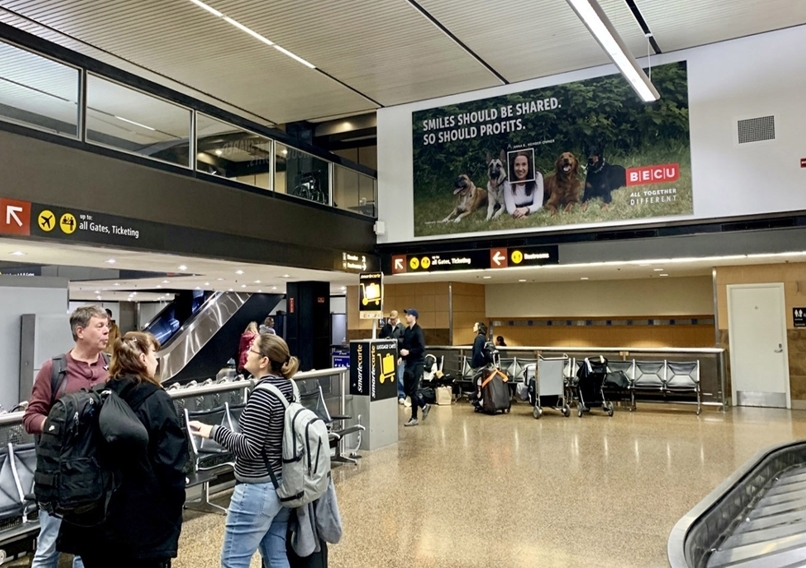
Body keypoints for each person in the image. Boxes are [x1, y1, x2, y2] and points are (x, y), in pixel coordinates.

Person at [57, 332, 188, 568]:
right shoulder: (157, 401)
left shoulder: (99, 395)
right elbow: (171, 466)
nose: (157, 360)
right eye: (154, 354)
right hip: (143, 526)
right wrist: (171, 513)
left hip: (97, 523)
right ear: (142, 358)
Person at [188, 334, 298, 568]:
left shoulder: (263, 395)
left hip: (257, 489)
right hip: (280, 483)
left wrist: (213, 431)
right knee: (275, 555)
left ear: (264, 360)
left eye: (252, 349)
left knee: (233, 560)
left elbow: (250, 448)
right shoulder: (287, 387)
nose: (246, 352)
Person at [23, 305, 111, 568]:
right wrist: (59, 424)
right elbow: (31, 417)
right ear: (80, 331)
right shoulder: (54, 369)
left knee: (89, 551)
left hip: (97, 476)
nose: (107, 330)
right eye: (99, 326)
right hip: (60, 478)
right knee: (49, 547)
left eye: (107, 325)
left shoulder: (111, 366)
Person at [400, 309, 430, 427]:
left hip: (417, 364)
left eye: (408, 315)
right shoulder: (407, 331)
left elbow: (421, 348)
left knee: (412, 391)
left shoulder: (418, 331)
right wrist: (401, 357)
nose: (406, 317)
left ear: (414, 317)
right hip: (408, 363)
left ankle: (414, 417)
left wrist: (409, 352)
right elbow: (405, 346)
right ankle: (424, 405)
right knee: (407, 389)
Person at [504, 151, 545, 218]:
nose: (520, 169)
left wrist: (526, 209)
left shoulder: (537, 177)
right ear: (513, 166)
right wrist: (519, 215)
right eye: (517, 165)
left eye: (524, 164)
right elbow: (510, 208)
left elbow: (538, 204)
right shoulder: (507, 182)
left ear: (528, 166)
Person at [380, 310, 407, 405]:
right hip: (388, 356)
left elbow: (405, 344)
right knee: (389, 376)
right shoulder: (385, 328)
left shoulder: (402, 328)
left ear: (397, 318)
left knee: (399, 377)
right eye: (391, 319)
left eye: (394, 319)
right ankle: (390, 394)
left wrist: (401, 357)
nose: (392, 321)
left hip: (399, 356)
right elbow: (380, 339)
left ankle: (402, 395)